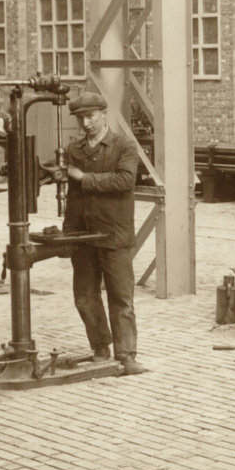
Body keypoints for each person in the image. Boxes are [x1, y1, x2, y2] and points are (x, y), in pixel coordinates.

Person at [62, 91, 146, 374]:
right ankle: (100, 347)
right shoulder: (74, 150)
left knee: (120, 297)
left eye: (90, 117)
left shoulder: (124, 146)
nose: (85, 123)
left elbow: (124, 181)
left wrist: (83, 178)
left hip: (114, 233)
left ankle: (126, 354)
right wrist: (67, 232)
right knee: (84, 296)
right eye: (80, 118)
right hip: (83, 235)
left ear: (103, 114)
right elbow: (72, 195)